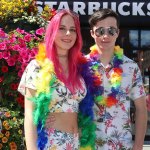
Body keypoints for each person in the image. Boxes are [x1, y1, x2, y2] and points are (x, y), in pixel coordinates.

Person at [18, 9, 94, 150]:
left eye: (72, 30)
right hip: (51, 142)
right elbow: (29, 115)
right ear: (52, 31)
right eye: (62, 28)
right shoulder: (37, 66)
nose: (68, 34)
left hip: (76, 143)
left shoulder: (79, 68)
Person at [84, 8, 147, 150]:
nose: (105, 36)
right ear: (92, 33)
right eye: (100, 31)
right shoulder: (81, 66)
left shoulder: (131, 67)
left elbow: (141, 109)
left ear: (117, 33)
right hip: (87, 145)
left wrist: (138, 146)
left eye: (111, 30)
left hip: (122, 146)